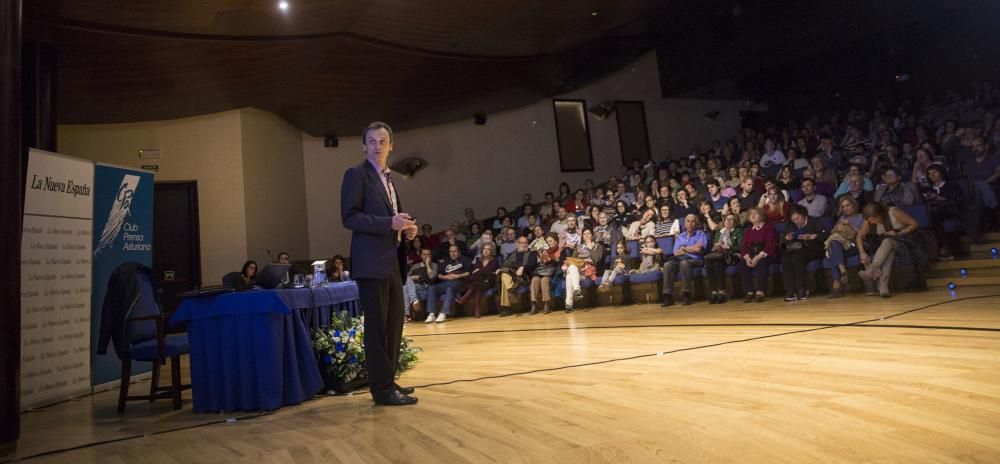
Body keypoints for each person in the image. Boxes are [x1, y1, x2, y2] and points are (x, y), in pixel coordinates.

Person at [340, 121, 418, 406]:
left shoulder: (389, 178)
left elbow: (391, 219)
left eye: (382, 141)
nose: (377, 146)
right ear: (364, 146)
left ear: (391, 146)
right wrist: (389, 223)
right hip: (371, 263)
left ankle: (389, 381)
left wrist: (405, 228)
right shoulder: (356, 175)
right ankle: (382, 390)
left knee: (395, 323)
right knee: (377, 328)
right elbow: (349, 217)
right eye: (371, 141)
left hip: (392, 262)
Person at [856, 202, 920, 297]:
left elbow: (915, 224)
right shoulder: (869, 220)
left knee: (888, 242)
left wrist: (899, 233)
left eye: (873, 219)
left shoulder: (894, 212)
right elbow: (859, 236)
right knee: (889, 251)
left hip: (904, 242)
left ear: (879, 214)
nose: (871, 222)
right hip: (888, 247)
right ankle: (883, 286)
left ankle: (872, 270)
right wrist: (862, 252)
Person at [779, 205, 828, 301]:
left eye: (798, 219)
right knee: (785, 259)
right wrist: (786, 238)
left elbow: (825, 235)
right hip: (796, 248)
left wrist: (811, 237)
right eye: (794, 220)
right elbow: (783, 239)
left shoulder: (813, 222)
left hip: (812, 248)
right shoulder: (791, 225)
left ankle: (801, 289)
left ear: (803, 214)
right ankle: (790, 291)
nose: (796, 222)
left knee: (797, 258)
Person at [661, 214, 706, 307]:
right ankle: (667, 296)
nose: (690, 224)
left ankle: (687, 294)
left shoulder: (700, 234)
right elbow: (676, 252)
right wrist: (691, 248)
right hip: (679, 258)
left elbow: (698, 249)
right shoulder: (680, 236)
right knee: (667, 265)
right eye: (688, 221)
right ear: (685, 224)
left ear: (696, 223)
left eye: (692, 221)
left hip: (695, 259)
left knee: (684, 264)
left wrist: (684, 249)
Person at [824, 195, 864, 299]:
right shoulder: (842, 218)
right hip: (841, 245)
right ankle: (842, 271)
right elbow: (833, 233)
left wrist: (850, 225)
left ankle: (837, 284)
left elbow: (862, 234)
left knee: (834, 252)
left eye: (848, 205)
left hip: (855, 245)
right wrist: (839, 227)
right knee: (834, 243)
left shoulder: (861, 217)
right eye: (843, 206)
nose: (846, 208)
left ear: (854, 205)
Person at [738, 208, 778, 303]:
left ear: (762, 216)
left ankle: (760, 291)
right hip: (752, 254)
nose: (752, 216)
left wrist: (758, 257)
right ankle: (749, 291)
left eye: (755, 214)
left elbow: (770, 245)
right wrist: (747, 258)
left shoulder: (768, 227)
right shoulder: (748, 230)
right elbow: (744, 247)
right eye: (751, 214)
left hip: (767, 255)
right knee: (743, 264)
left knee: (761, 263)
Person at [425, 244, 471, 323]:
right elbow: (439, 275)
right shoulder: (446, 261)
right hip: (446, 283)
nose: (453, 253)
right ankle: (431, 314)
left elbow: (468, 273)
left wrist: (457, 276)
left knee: (450, 288)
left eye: (455, 251)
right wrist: (446, 277)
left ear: (459, 252)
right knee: (432, 288)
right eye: (451, 251)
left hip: (459, 283)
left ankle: (443, 313)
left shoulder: (464, 260)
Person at [705, 213, 743, 304]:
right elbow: (715, 245)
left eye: (731, 219)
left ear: (736, 222)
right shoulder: (719, 231)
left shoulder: (739, 231)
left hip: (732, 255)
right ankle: (714, 292)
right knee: (710, 263)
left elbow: (741, 247)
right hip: (719, 255)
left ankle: (722, 292)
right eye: (726, 219)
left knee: (717, 263)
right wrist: (717, 247)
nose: (728, 221)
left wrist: (727, 247)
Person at [454, 243, 500, 318]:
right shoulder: (478, 259)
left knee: (476, 280)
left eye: (488, 249)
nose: (486, 251)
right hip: (479, 283)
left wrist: (480, 270)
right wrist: (482, 271)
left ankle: (465, 298)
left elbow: (490, 271)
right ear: (482, 250)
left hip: (488, 281)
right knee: (478, 286)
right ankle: (477, 310)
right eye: (484, 249)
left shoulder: (494, 260)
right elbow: (476, 271)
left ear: (491, 251)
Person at [562, 229, 603, 312]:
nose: (587, 235)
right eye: (584, 234)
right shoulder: (579, 247)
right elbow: (573, 260)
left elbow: (596, 259)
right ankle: (577, 291)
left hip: (590, 272)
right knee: (572, 268)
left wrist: (589, 247)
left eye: (588, 233)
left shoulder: (597, 246)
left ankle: (569, 304)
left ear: (592, 235)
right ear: (583, 237)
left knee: (569, 276)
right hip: (578, 272)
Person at [496, 236, 538, 317]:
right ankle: (511, 290)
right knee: (504, 274)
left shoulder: (532, 253)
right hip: (513, 277)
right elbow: (505, 265)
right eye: (522, 243)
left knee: (505, 283)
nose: (524, 245)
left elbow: (532, 265)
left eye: (526, 243)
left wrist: (523, 267)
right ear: (517, 244)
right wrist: (500, 269)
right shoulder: (512, 254)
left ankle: (506, 308)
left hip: (524, 277)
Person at [532, 233, 567, 315]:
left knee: (544, 280)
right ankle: (534, 304)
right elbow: (539, 266)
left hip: (554, 275)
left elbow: (561, 265)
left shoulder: (561, 251)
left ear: (556, 241)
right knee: (534, 279)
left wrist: (550, 260)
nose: (548, 243)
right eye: (547, 242)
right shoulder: (544, 252)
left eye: (550, 241)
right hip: (544, 272)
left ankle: (546, 304)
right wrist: (540, 260)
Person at [403, 249, 437, 322]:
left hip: (426, 290)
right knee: (405, 287)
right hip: (415, 290)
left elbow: (431, 276)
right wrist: (413, 277)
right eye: (424, 254)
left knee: (406, 288)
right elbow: (405, 279)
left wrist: (427, 264)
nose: (426, 256)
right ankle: (414, 300)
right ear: (421, 256)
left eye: (428, 254)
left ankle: (406, 314)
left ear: (430, 256)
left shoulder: (434, 265)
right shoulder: (415, 266)